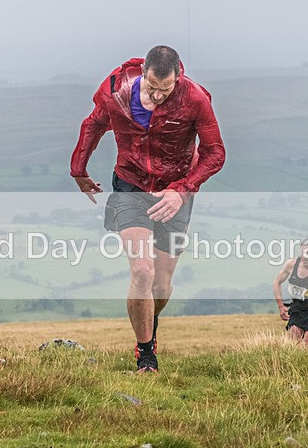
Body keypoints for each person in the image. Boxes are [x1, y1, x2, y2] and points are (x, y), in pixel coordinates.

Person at [70, 45, 225, 372]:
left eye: (164, 90)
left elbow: (215, 153)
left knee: (161, 284)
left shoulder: (195, 99)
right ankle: (146, 354)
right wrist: (79, 170)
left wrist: (182, 191)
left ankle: (148, 320)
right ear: (144, 75)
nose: (156, 96)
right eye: (152, 87)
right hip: (131, 183)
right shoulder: (118, 89)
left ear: (178, 77)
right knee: (142, 270)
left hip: (175, 191)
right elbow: (94, 123)